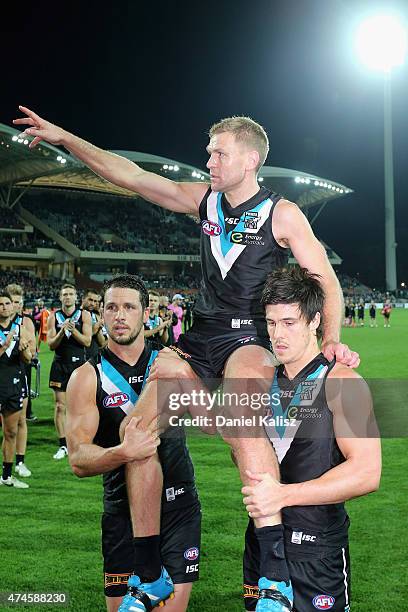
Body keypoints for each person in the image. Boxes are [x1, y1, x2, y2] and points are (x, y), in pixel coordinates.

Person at [15, 108, 359, 611]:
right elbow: (129, 175)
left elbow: (326, 281)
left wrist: (329, 340)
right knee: (137, 432)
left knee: (242, 420)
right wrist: (66, 136)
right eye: (209, 151)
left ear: (250, 159)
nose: (209, 159)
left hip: (248, 339)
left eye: (219, 152)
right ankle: (150, 572)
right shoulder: (205, 201)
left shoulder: (282, 213)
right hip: (200, 339)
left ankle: (276, 578)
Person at [241, 267, 381, 612]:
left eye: (289, 322)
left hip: (316, 550)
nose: (278, 334)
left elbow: (367, 472)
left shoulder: (342, 381)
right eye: (272, 323)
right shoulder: (261, 383)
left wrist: (283, 495)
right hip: (262, 544)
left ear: (315, 321)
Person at [65, 274, 201, 612]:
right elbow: (78, 457)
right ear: (102, 314)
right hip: (121, 510)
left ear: (146, 313)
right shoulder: (87, 376)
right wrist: (122, 452)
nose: (119, 315)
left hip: (177, 505)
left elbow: (213, 419)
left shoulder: (169, 363)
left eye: (129, 307)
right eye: (111, 307)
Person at [48, 283, 92, 460]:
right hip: (59, 365)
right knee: (60, 406)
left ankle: (80, 441)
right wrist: (61, 332)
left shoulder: (84, 315)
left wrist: (72, 330)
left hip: (79, 366)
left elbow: (87, 341)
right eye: (64, 294)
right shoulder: (53, 316)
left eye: (70, 294)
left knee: (81, 407)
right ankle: (63, 445)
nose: (67, 297)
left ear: (76, 298)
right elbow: (51, 344)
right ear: (60, 298)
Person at [0, 290, 33, 488]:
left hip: (12, 387)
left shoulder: (21, 329)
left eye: (7, 303)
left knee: (11, 432)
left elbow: (29, 359)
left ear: (13, 306)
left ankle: (6, 475)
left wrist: (23, 349)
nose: (4, 307)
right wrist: (5, 345)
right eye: (1, 304)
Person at [82, 288, 107, 360]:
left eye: (95, 301)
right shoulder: (76, 315)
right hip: (78, 357)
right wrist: (95, 328)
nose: (92, 303)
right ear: (83, 299)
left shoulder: (95, 316)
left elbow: (102, 343)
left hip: (93, 357)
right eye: (90, 300)